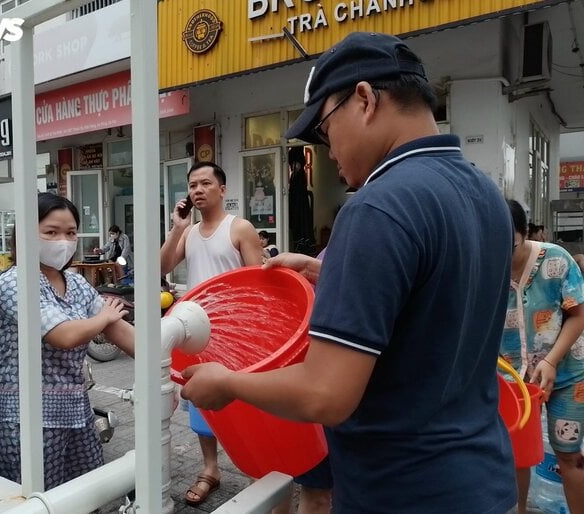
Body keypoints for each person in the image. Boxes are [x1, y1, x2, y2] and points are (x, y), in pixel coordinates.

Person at [181, 32, 516, 513]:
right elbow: (436, 297)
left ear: (364, 99)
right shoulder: (484, 194)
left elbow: (325, 394)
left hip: (401, 491)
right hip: (482, 479)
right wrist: (327, 269)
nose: (326, 150)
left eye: (323, 129)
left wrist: (228, 382)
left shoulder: (378, 207)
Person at [0, 192, 135, 490]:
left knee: (86, 492)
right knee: (36, 499)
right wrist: (102, 318)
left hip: (75, 409)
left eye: (70, 233)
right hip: (27, 416)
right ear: (25, 235)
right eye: (51, 232)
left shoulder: (77, 282)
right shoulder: (14, 282)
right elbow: (64, 335)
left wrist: (169, 361)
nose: (63, 241)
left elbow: (123, 333)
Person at [160, 161, 262, 506]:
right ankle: (210, 468)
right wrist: (176, 228)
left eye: (205, 183)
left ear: (223, 189)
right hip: (196, 332)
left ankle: (256, 469)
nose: (198, 190)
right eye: (192, 185)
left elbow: (259, 284)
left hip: (235, 334)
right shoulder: (188, 233)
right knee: (200, 399)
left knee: (243, 403)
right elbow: (160, 267)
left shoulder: (240, 228)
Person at [501, 199, 584, 514]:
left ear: (522, 234)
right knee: (517, 455)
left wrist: (550, 361)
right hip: (515, 383)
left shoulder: (556, 260)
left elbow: (578, 314)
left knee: (569, 456)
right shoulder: (482, 268)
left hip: (568, 375)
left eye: (507, 243)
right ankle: (519, 509)